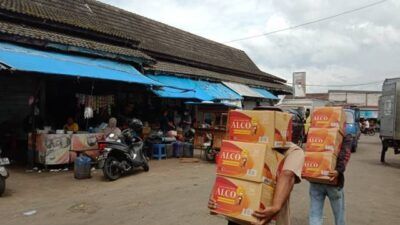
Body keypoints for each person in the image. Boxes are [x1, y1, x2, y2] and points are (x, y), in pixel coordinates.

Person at [208, 143, 305, 225]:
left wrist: (276, 206)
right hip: (244, 217)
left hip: (259, 218)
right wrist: (216, 198)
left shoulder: (293, 151)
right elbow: (226, 174)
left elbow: (287, 175)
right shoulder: (243, 143)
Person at [308, 136, 352, 225]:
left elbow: (310, 150)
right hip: (334, 181)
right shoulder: (344, 134)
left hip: (316, 179)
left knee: (315, 214)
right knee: (339, 215)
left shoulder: (317, 129)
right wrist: (338, 170)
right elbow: (345, 154)